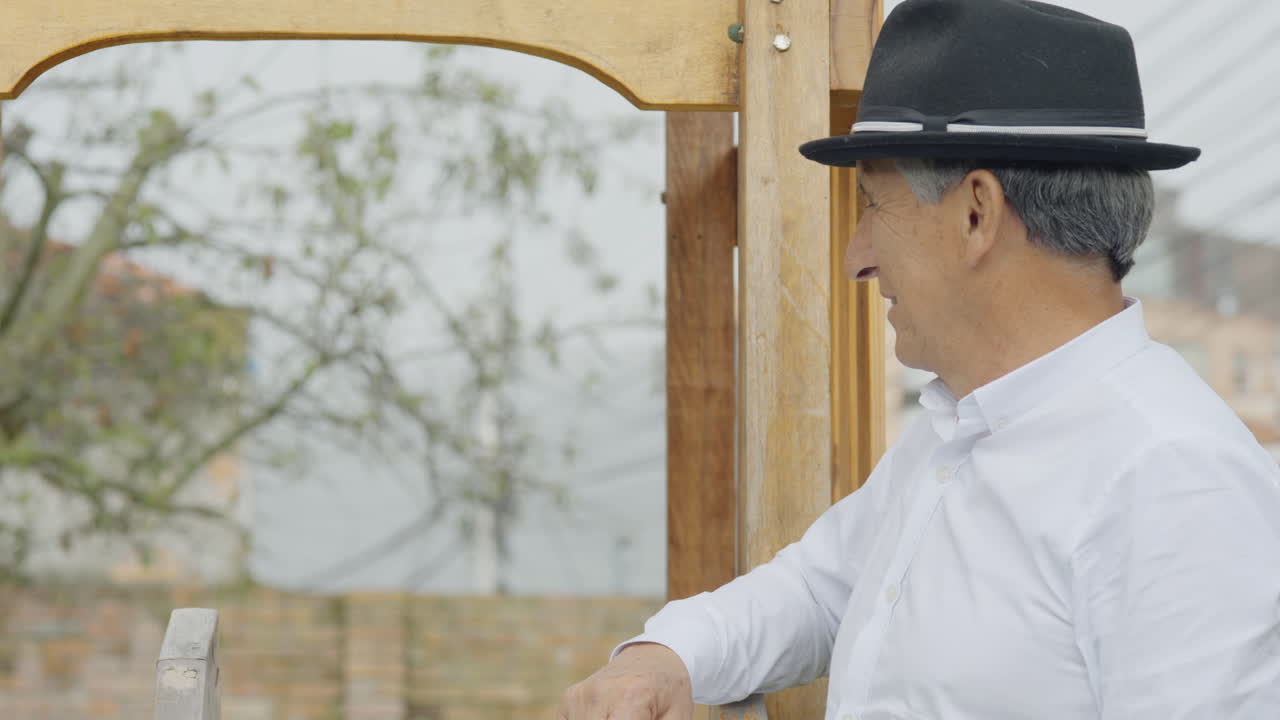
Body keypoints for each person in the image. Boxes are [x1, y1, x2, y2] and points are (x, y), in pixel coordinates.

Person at [557, 0, 1280, 718]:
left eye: (873, 205)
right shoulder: (960, 428)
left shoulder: (1174, 478)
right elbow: (817, 589)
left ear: (976, 213)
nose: (856, 258)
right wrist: (665, 661)